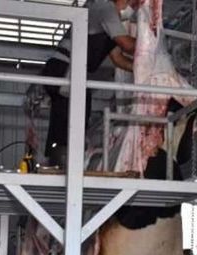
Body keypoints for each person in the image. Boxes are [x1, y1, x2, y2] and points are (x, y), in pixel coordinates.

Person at [42, 0, 136, 166]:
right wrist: (150, 48)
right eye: (134, 2)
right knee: (70, 118)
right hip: (64, 68)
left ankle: (60, 163)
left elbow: (118, 59)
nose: (134, 6)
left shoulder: (107, 19)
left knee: (67, 118)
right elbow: (126, 44)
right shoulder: (105, 7)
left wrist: (140, 68)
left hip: (67, 70)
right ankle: (65, 165)